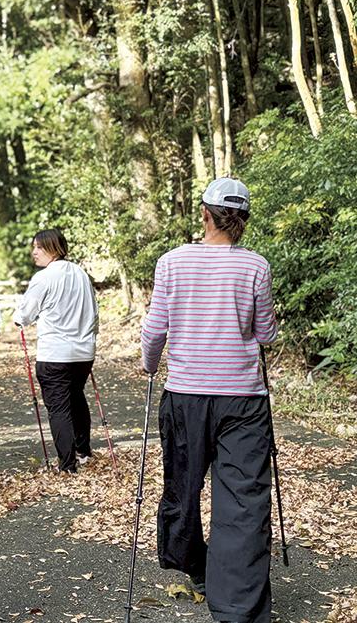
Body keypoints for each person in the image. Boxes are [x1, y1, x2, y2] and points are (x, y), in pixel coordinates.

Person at [141, 177, 278, 623]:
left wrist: (149, 364)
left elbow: (154, 330)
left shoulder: (172, 262)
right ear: (243, 221)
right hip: (243, 400)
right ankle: (237, 606)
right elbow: (266, 335)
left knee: (183, 487)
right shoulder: (256, 267)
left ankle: (193, 566)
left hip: (186, 396)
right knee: (243, 499)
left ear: (204, 215)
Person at [13, 228, 98, 473]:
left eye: (39, 247)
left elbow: (25, 313)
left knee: (59, 407)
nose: (34, 252)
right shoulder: (81, 273)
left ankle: (67, 464)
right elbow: (94, 311)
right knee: (77, 398)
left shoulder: (44, 277)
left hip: (55, 354)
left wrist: (18, 319)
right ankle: (83, 451)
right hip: (83, 353)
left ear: (53, 248)